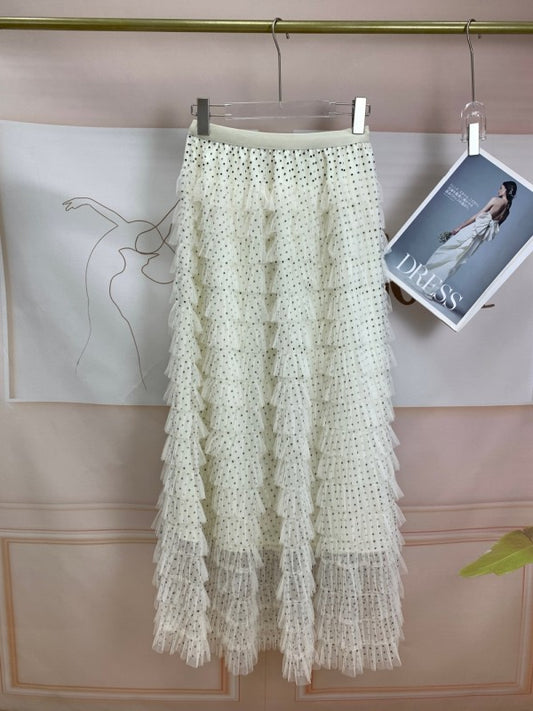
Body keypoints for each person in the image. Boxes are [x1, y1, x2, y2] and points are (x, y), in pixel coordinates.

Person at [424, 180, 517, 286]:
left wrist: (459, 227)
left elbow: (477, 216)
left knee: (447, 250)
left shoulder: (496, 200)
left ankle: (426, 275)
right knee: (457, 260)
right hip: (478, 238)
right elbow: (494, 228)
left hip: (473, 230)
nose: (499, 190)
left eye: (501, 188)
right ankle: (433, 283)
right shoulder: (507, 212)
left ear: (506, 190)